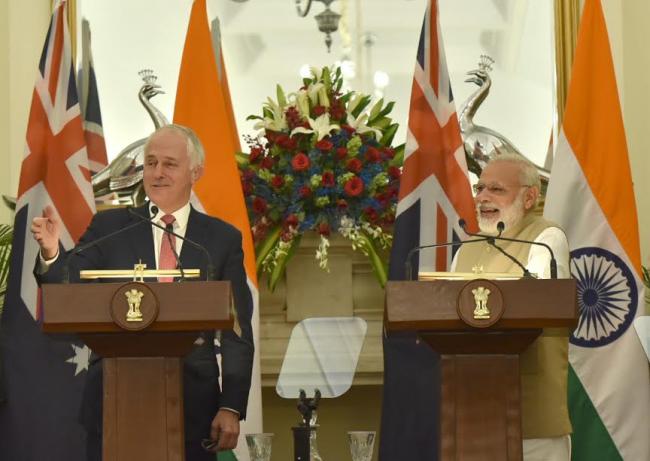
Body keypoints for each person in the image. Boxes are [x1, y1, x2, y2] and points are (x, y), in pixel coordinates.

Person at [30, 124, 254, 461]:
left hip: (194, 408)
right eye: (151, 163)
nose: (157, 172)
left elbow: (238, 331)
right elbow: (67, 289)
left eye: (169, 164)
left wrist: (231, 405)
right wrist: (51, 253)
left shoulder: (220, 240)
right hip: (113, 403)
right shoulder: (110, 227)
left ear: (196, 172)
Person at [452, 152, 572, 461]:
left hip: (531, 415)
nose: (483, 197)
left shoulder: (545, 238)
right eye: (480, 188)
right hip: (472, 414)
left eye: (496, 189)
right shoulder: (466, 249)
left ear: (529, 197)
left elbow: (543, 307)